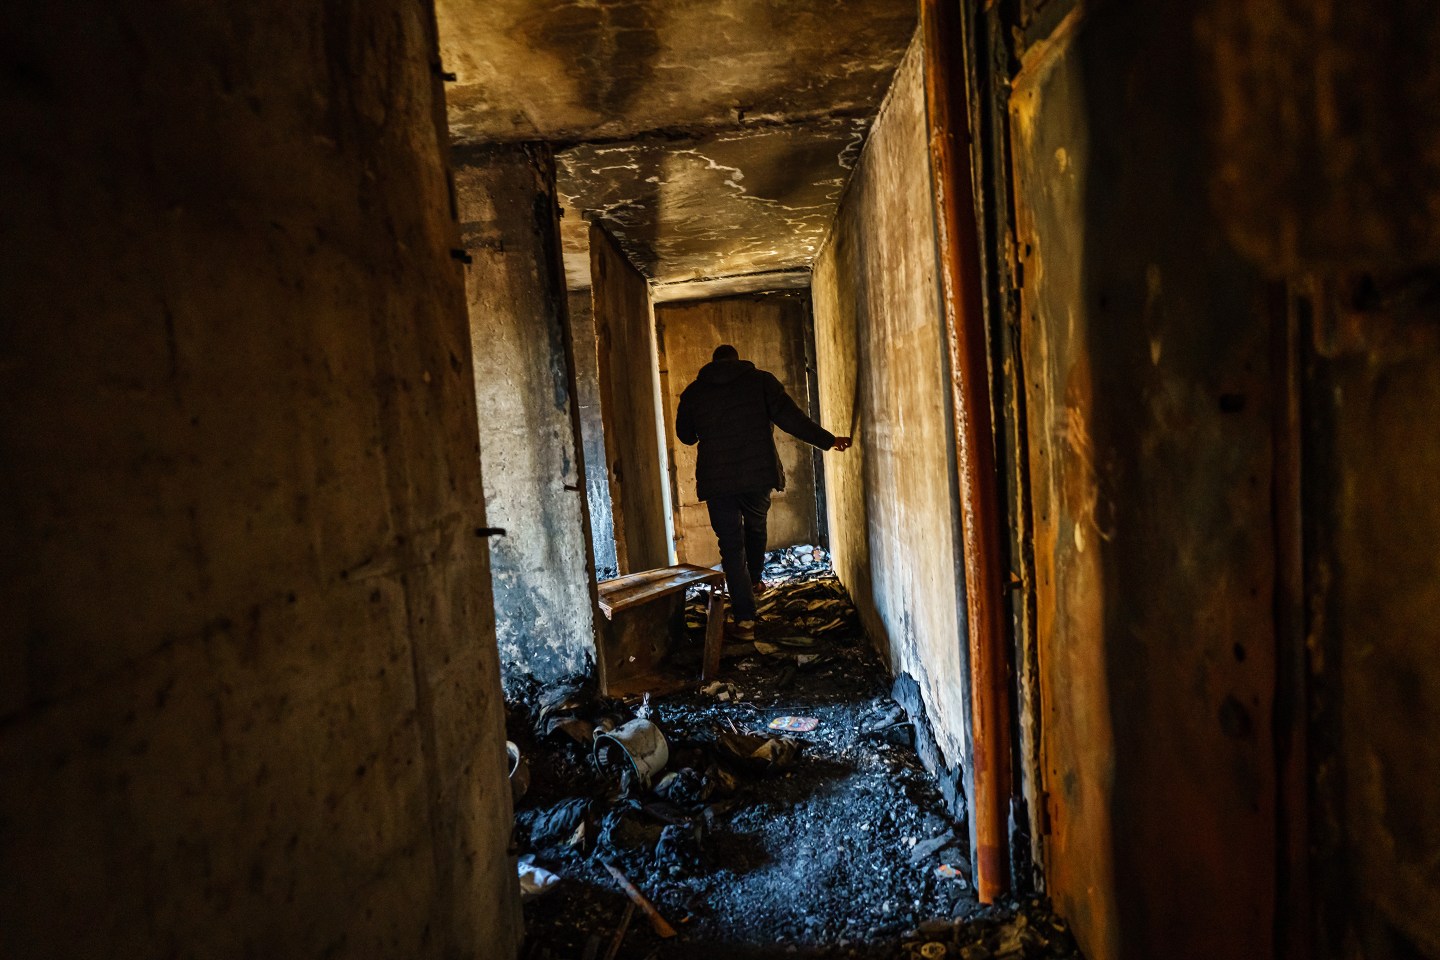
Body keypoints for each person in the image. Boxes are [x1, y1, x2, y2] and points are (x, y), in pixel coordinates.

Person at [675, 344, 851, 640]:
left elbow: (686, 436)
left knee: (730, 547)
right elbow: (792, 420)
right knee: (755, 526)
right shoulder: (761, 381)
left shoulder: (694, 392)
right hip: (758, 476)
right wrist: (829, 440)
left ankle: (745, 621)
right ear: (738, 360)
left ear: (713, 363)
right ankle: (755, 580)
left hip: (717, 482)